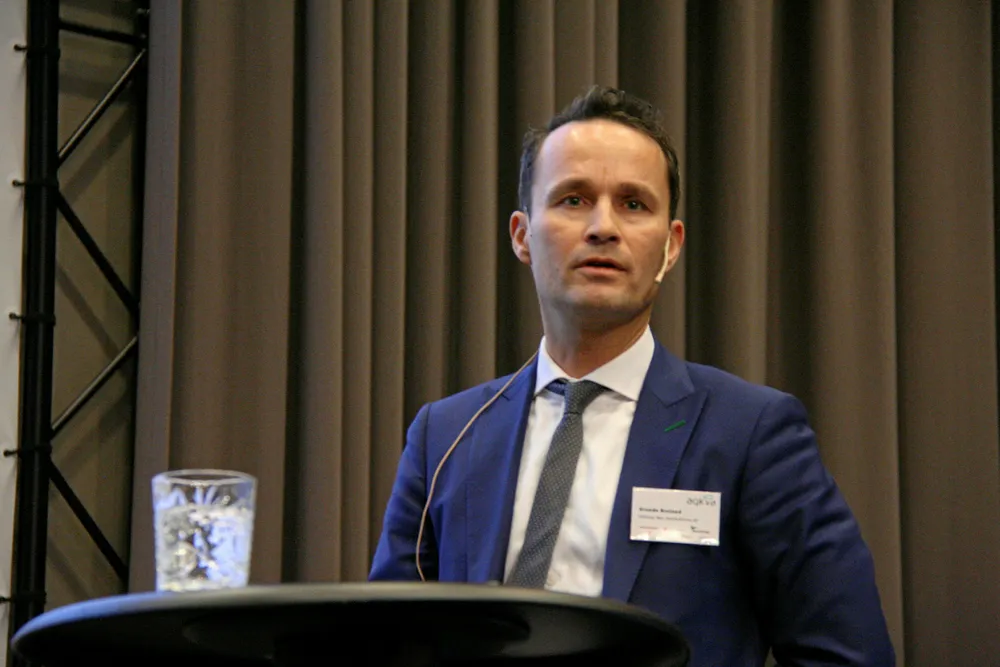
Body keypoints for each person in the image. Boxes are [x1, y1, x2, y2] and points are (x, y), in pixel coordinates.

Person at [370, 85, 895, 667]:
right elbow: (387, 643)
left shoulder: (750, 434)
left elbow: (850, 655)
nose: (603, 227)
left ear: (671, 247)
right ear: (522, 235)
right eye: (573, 199)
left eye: (634, 204)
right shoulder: (445, 436)